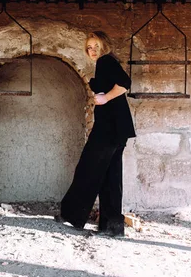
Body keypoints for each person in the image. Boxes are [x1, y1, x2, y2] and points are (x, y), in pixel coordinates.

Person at [55, 31, 136, 236]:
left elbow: (125, 83)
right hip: (118, 127)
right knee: (110, 175)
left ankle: (71, 214)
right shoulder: (107, 62)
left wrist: (106, 98)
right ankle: (112, 226)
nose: (92, 51)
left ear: (104, 46)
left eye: (95, 46)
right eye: (89, 47)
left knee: (87, 168)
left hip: (110, 127)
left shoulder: (105, 61)